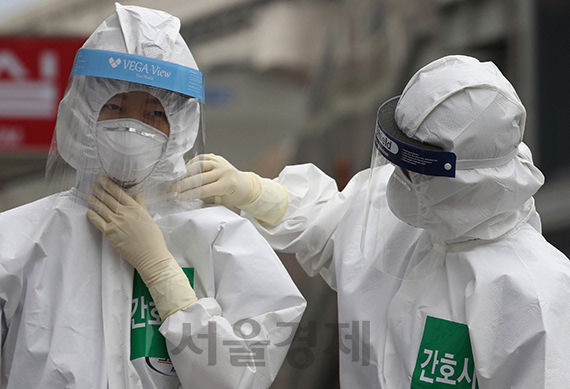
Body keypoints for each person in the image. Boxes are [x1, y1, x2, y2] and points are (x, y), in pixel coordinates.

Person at [173, 55, 570, 388]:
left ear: (467, 180)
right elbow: (334, 225)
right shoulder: (413, 205)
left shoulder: (531, 293)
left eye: (414, 169)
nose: (397, 180)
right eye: (396, 162)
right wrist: (255, 192)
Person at [0, 3, 305, 389]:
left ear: (180, 127)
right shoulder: (6, 245)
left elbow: (239, 378)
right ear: (82, 112)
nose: (131, 128)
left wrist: (162, 271)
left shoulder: (222, 240)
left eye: (153, 114)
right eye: (114, 107)